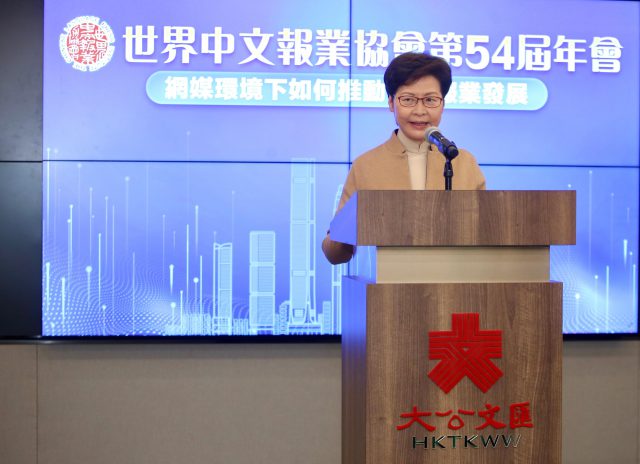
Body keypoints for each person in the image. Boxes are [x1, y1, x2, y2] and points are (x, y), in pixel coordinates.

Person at [322, 52, 486, 265]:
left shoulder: (464, 163)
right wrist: (347, 229)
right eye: (408, 100)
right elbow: (334, 253)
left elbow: (485, 236)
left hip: (455, 282)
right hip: (389, 284)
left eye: (430, 100)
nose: (420, 111)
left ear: (443, 104)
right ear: (391, 103)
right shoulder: (366, 165)